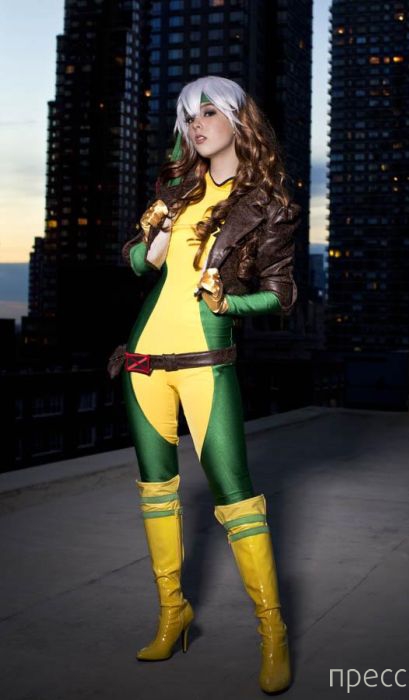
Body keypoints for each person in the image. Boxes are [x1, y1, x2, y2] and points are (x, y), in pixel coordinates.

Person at [116, 75, 301, 695]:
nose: (196, 126)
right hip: (143, 358)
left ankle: (272, 632)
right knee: (155, 492)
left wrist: (228, 304)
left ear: (237, 120)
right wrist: (157, 230)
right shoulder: (177, 188)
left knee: (236, 497)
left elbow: (281, 295)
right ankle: (173, 615)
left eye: (207, 113)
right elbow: (138, 264)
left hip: (205, 359)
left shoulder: (269, 202)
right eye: (187, 117)